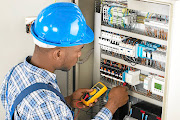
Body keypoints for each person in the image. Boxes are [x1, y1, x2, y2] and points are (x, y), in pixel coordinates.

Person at [0, 2, 129, 120]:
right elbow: (44, 109)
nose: (79, 55)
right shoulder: (46, 104)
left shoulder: (15, 72)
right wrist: (112, 105)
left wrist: (67, 100)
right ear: (58, 54)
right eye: (79, 49)